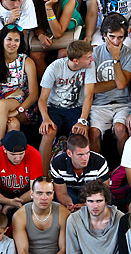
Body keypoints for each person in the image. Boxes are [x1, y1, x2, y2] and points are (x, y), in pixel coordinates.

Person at [37, 40, 96, 172]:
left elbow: (89, 96)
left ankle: (85, 175)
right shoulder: (54, 68)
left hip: (76, 109)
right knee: (48, 132)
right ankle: (42, 176)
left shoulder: (90, 66)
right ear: (76, 61)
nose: (91, 59)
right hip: (54, 108)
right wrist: (46, 118)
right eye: (88, 58)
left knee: (82, 133)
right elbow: (42, 99)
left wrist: (82, 121)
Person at [11, 176, 70, 254]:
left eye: (48, 193)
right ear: (31, 194)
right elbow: (23, 251)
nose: (44, 198)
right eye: (39, 193)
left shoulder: (63, 213)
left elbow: (63, 250)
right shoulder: (20, 215)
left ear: (53, 194)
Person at [0, 25, 38, 151]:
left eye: (16, 40)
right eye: (9, 39)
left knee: (2, 105)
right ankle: (7, 159)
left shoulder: (26, 61)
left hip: (22, 106)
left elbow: (34, 94)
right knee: (13, 124)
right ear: (2, 40)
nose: (12, 44)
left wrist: (17, 111)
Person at [89, 13, 131, 157]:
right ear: (104, 35)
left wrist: (116, 57)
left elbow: (122, 85)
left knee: (121, 129)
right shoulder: (94, 54)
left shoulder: (130, 54)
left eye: (120, 37)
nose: (116, 42)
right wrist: (117, 81)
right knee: (94, 132)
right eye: (112, 37)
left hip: (123, 103)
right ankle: (96, 171)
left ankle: (124, 171)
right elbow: (91, 87)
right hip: (99, 104)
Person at [29, 0, 83, 75]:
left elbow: (58, 33)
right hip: (47, 33)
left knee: (63, 53)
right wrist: (40, 35)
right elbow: (35, 23)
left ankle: (61, 83)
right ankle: (46, 84)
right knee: (35, 54)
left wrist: (48, 7)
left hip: (69, 33)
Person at [0, 130, 44, 216]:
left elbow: (35, 190)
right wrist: (9, 202)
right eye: (13, 154)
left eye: (21, 154)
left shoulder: (34, 154)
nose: (18, 158)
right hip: (2, 193)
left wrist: (11, 205)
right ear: (4, 149)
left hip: (26, 194)